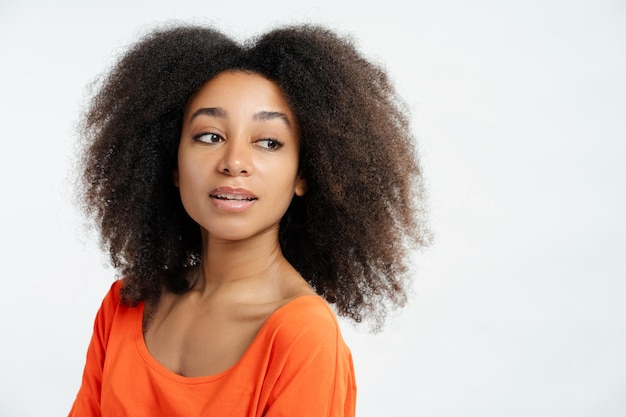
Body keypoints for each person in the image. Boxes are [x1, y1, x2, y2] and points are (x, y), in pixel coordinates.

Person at [68, 23, 428, 417]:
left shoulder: (302, 334)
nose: (234, 163)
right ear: (171, 162)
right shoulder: (125, 306)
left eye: (269, 142)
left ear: (305, 174)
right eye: (209, 136)